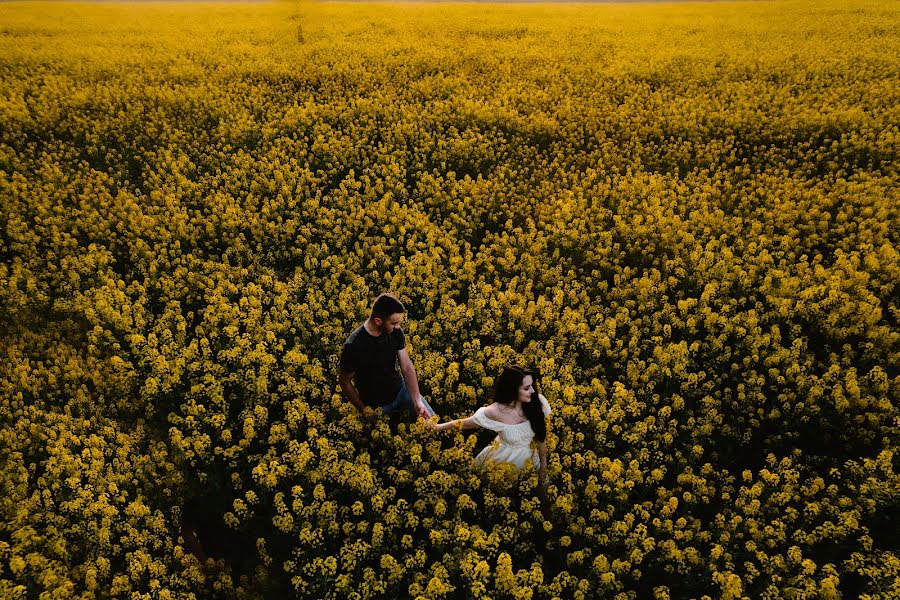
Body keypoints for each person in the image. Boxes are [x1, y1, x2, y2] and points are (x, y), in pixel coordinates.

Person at [429, 365, 551, 487]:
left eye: (532, 386)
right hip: (502, 462)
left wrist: (543, 467)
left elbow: (541, 437)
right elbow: (466, 423)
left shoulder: (536, 403)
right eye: (527, 388)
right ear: (513, 389)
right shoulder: (495, 411)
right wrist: (438, 427)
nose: (532, 391)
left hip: (529, 461)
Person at [338, 293, 435, 422]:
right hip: (377, 405)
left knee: (432, 420)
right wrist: (364, 411)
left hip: (400, 391)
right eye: (394, 323)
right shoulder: (353, 345)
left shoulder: (395, 332)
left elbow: (406, 367)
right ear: (378, 321)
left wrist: (417, 401)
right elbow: (345, 382)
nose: (398, 327)